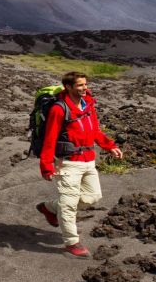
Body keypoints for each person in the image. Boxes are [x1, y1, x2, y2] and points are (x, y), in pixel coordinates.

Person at [36, 71, 123, 258]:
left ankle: (49, 207)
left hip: (88, 160)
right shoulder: (59, 109)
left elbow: (95, 131)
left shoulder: (88, 105)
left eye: (85, 84)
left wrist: (110, 146)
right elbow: (50, 139)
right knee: (68, 205)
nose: (85, 88)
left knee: (92, 197)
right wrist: (46, 165)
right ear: (68, 87)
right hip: (67, 163)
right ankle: (72, 242)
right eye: (80, 85)